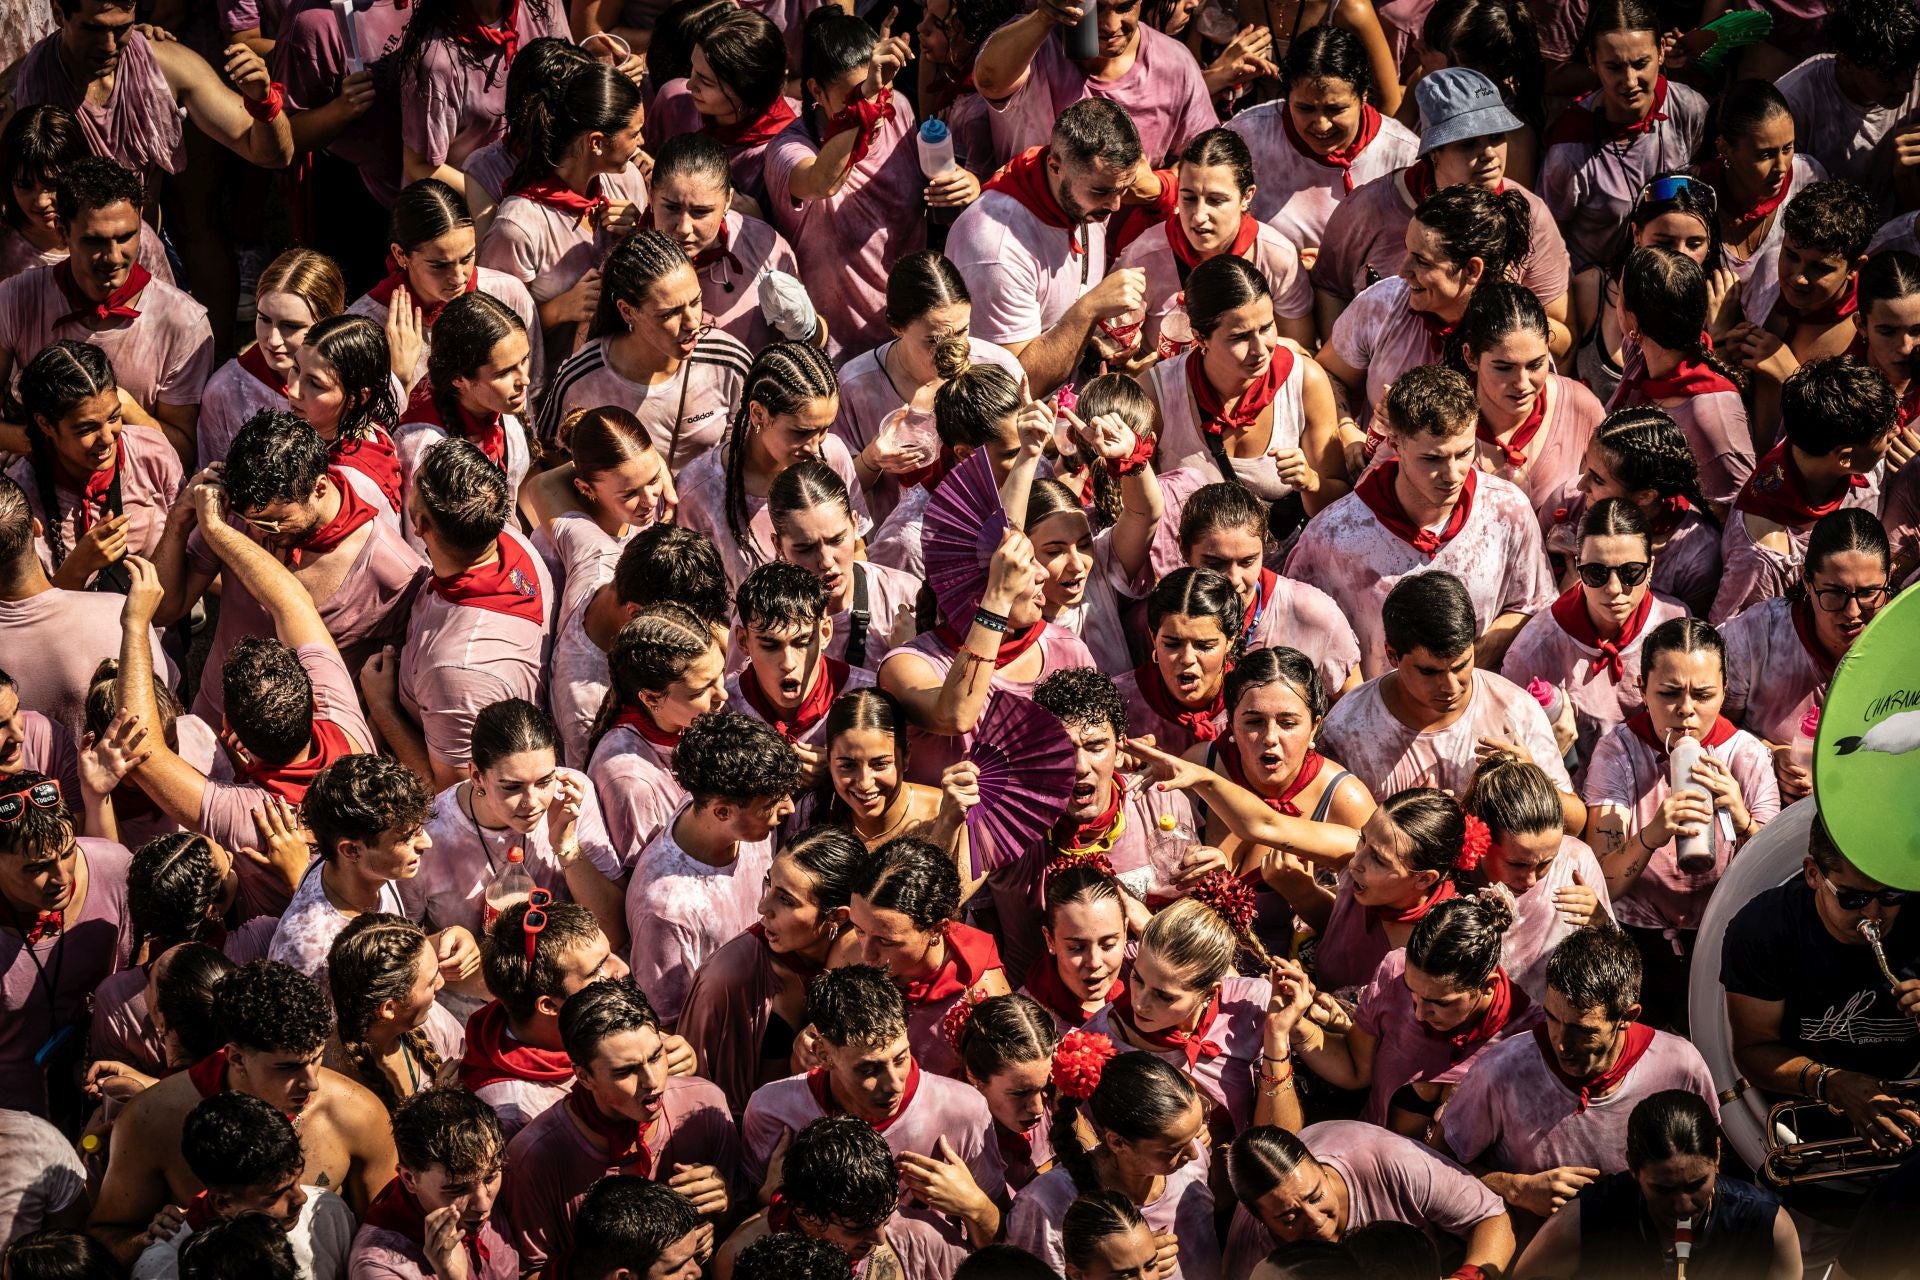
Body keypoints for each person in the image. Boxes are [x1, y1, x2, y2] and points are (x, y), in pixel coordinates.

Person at [118, 520, 370, 922]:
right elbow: (291, 601)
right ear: (310, 696)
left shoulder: (256, 818)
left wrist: (134, 625)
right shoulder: (343, 717)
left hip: (276, 938)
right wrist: (219, 529)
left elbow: (142, 750)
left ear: (229, 730)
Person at [91, 961, 397, 1261]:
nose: (312, 1082)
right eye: (288, 1067)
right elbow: (105, 1237)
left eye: (316, 1058)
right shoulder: (153, 1119)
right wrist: (155, 1240)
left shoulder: (357, 1113)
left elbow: (389, 1239)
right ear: (236, 1058)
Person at [153, 412, 423, 724]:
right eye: (251, 522)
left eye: (274, 521)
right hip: (213, 722)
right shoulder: (231, 513)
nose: (258, 534)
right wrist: (178, 521)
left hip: (300, 757)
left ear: (319, 488)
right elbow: (164, 609)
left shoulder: (394, 570)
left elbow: (403, 691)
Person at [1288, 367, 1556, 677]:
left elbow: (1534, 606)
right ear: (1396, 444)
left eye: (1464, 453)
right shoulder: (1332, 537)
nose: (1452, 474)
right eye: (1433, 459)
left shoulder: (1508, 510)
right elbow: (1301, 641)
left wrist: (1465, 666)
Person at [1435, 928, 1718, 1221]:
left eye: (1583, 1030)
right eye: (1552, 1018)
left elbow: (1707, 1169)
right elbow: (1438, 1165)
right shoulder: (1500, 1071)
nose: (1560, 1042)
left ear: (1628, 1017)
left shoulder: (1681, 1066)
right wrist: (1516, 1188)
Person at [1581, 618, 1779, 1031]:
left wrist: (1741, 819)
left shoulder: (1745, 755)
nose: (1686, 710)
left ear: (1725, 690)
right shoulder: (1619, 751)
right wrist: (1652, 834)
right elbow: (1604, 883)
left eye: (1703, 694)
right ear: (1642, 689)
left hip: (1722, 937)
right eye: (1669, 694)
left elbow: (1776, 886)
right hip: (1637, 940)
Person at [739, 964, 1005, 1246]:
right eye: (869, 1070)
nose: (893, 1084)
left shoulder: (963, 1110)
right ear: (823, 1054)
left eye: (901, 1058)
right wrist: (769, 1201)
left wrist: (977, 1208)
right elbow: (746, 1238)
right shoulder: (772, 1110)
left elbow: (1001, 1250)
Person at [1316, 68, 1570, 357]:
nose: (1489, 154)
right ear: (1433, 152)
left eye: (1496, 136)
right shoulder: (1369, 208)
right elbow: (1330, 287)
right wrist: (1353, 356)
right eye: (1468, 143)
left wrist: (1501, 314)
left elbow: (1560, 330)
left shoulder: (1530, 214)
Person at [503, 978, 737, 1273]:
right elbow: (529, 1272)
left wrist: (722, 1206)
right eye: (626, 1070)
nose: (652, 1081)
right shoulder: (534, 1158)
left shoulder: (704, 1106)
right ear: (584, 1076)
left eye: (656, 1056)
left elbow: (743, 1222)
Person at [1722, 814, 1920, 1154]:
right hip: (1812, 1118)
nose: (1873, 914)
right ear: (1813, 874)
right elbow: (1752, 1050)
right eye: (1852, 898)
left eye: (1890, 894)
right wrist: (1832, 1083)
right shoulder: (1764, 929)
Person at [1315, 571, 1579, 827]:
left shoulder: (1516, 709)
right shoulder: (1347, 730)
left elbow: (1575, 823)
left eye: (1461, 665)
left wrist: (1532, 782)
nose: (1451, 686)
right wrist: (1398, 829)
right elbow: (1327, 848)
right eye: (1430, 672)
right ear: (1392, 655)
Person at [405, 698, 624, 997]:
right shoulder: (429, 837)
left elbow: (613, 930)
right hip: (476, 1011)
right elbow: (405, 951)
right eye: (512, 787)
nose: (532, 803)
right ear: (477, 776)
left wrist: (566, 847)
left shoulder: (571, 797)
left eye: (545, 781)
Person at [0, 160, 213, 464]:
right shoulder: (16, 297)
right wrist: (35, 443)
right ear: (62, 233)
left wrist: (127, 408)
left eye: (126, 236)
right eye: (95, 241)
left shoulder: (183, 323)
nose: (113, 257)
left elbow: (183, 451)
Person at [365, 440, 551, 788]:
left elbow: (452, 792)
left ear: (419, 525)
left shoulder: (457, 671)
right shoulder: (514, 541)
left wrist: (383, 708)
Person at [943, 99, 1152, 397]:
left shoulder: (1080, 198)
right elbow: (1013, 386)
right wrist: (1090, 308)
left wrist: (1095, 338)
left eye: (1124, 189)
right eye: (1102, 191)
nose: (1116, 205)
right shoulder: (996, 249)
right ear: (1055, 166)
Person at [1293, 887, 1538, 1132]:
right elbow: (1356, 1068)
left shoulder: (1527, 1041)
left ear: (1487, 986)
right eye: (1411, 991)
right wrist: (1295, 1025)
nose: (1419, 1013)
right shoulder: (1393, 972)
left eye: (1440, 1002)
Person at [764, 9, 925, 359]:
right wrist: (863, 99)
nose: (876, 109)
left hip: (912, 344)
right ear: (816, 91)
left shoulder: (899, 108)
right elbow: (824, 182)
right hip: (837, 357)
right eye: (853, 98)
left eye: (882, 92)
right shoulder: (787, 151)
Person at [677, 826, 866, 1115]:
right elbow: (690, 1094)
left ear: (837, 917)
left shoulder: (868, 955)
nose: (763, 906)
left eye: (786, 900)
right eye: (769, 884)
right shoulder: (726, 978)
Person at [1513, 1090, 1799, 1279]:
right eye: (1663, 1189)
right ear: (1632, 1168)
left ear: (1718, 1155)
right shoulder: (1581, 1223)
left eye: (1697, 1183)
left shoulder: (1766, 1224)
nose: (1683, 1206)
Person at [626, 711, 797, 1027]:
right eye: (772, 804)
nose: (789, 808)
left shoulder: (738, 823)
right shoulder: (666, 909)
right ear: (722, 812)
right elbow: (669, 1024)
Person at [1083, 895, 1309, 1134]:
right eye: (1137, 979)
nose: (1140, 1003)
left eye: (1164, 996)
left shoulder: (1251, 1006)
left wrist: (1275, 1037)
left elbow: (1280, 1139)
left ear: (1210, 992)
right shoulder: (1098, 1042)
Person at [533, 229, 753, 474]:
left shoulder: (730, 360)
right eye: (669, 313)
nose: (692, 322)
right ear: (627, 311)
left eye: (695, 302)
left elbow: (746, 454)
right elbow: (550, 459)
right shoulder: (580, 378)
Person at [1319, 185, 1534, 435]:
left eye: (1422, 261)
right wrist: (1346, 430)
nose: (1403, 271)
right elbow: (1327, 375)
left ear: (1472, 270)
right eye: (1408, 251)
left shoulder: (1519, 332)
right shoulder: (1384, 302)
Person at [522, 409, 671, 767]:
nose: (651, 500)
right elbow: (540, 485)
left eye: (655, 479)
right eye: (630, 493)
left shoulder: (634, 517)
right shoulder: (563, 542)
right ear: (585, 488)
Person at [1143, 256, 1345, 517]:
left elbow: (1340, 503)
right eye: (1240, 337)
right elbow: (1137, 510)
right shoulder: (1157, 393)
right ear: (1199, 338)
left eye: (1267, 327)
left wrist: (1311, 482)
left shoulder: (1306, 381)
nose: (1260, 350)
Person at [8, 0, 293, 182]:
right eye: (93, 29)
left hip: (141, 263)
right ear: (59, 12)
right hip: (53, 267)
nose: (109, 46)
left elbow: (272, 155)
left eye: (121, 28)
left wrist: (263, 101)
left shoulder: (163, 66)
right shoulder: (26, 85)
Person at [480, 62, 649, 366]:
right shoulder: (519, 226)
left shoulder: (628, 179)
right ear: (596, 142)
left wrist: (639, 233)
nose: (642, 143)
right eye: (634, 134)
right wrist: (558, 309)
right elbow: (491, 336)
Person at [1502, 497, 1689, 768]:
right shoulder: (1533, 650)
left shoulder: (1676, 624)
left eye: (1631, 572)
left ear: (1651, 568)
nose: (1613, 588)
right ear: (1578, 567)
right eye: (1596, 573)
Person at [1724, 510, 1891, 804]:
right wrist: (1766, 754)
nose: (1852, 612)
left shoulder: (1905, 647)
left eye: (1868, 593)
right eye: (1834, 593)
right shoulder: (1756, 636)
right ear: (1807, 581)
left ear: (1888, 581)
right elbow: (1707, 724)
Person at [1007, 1048, 1219, 1278]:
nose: (1195, 1153)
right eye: (1172, 1150)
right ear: (1117, 1142)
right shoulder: (1046, 1204)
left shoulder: (1189, 1162)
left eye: (1194, 1135)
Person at [1712, 357, 1892, 623]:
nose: (1894, 436)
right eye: (1884, 437)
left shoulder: (1817, 438)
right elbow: (1730, 632)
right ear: (1845, 458)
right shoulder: (1764, 553)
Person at [677, 341, 863, 593]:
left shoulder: (833, 455)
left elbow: (858, 551)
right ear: (758, 414)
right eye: (801, 432)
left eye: (824, 429)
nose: (814, 446)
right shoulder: (699, 491)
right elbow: (699, 605)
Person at [1538, 0, 1707, 274]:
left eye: (1641, 64)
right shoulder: (1570, 149)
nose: (1630, 81)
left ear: (1661, 52)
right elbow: (1548, 242)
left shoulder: (1688, 108)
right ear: (1592, 60)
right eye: (1614, 67)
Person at [0, 768, 130, 1119]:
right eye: (36, 868)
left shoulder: (114, 868)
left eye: (68, 853)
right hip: (17, 1122)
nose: (61, 877)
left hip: (106, 1093)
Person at [1224, 1123, 1514, 1280]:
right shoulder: (1251, 1261)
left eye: (1316, 1196)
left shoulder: (1392, 1163)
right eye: (1289, 1218)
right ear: (1259, 1218)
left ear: (1323, 1168)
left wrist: (1467, 1278)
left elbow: (1492, 1217)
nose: (1315, 1220)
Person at [1117, 129, 1314, 357]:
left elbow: (1300, 354)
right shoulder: (1143, 257)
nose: (1199, 216)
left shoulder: (1277, 257)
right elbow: (1113, 346)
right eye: (1188, 198)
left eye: (1215, 200)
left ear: (1247, 196)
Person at [1223, 28, 1420, 255]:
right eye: (1305, 108)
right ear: (1286, 98)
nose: (1321, 125)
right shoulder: (1247, 137)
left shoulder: (1406, 157)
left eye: (1335, 109)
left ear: (1363, 96)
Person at [8, 340, 181, 593]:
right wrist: (78, 566)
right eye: (86, 428)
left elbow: (189, 559)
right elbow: (24, 615)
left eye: (114, 418)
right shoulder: (19, 497)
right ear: (45, 425)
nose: (108, 438)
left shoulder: (153, 454)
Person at [454, 899, 636, 1135]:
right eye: (597, 970)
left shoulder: (592, 1020)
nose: (622, 969)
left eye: (609, 954)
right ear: (549, 1005)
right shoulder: (514, 1114)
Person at [129, 1093, 356, 1280]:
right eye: (275, 1194)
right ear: (223, 1202)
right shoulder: (161, 1270)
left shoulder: (325, 1212)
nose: (301, 1199)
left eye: (296, 1178)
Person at [345, 181, 540, 396]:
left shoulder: (506, 294)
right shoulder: (363, 327)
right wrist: (399, 378)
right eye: (439, 265)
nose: (458, 277)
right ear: (400, 255)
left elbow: (534, 390)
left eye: (467, 258)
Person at [969, 0, 1215, 169]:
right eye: (1095, 8)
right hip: (1036, 236)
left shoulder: (1174, 63)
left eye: (1124, 7)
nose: (1110, 26)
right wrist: (1044, 17)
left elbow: (1207, 158)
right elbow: (991, 82)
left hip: (1133, 242)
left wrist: (1159, 187)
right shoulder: (1033, 46)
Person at [716, 1117, 968, 1280]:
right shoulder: (743, 1261)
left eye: (886, 1218)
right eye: (858, 1227)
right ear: (805, 1213)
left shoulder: (922, 1239)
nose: (880, 1239)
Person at [267, 755, 437, 989]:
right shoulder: (309, 951)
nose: (426, 843)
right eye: (407, 837)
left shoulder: (369, 868)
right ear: (351, 851)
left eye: (420, 829)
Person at [848, 836, 1012, 1077]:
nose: (865, 953)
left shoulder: (981, 998)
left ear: (937, 929)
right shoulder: (861, 943)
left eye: (886, 941)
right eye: (858, 931)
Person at [1571, 175, 1736, 410]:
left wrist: (1719, 339)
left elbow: (1720, 402)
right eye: (1665, 242)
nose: (1680, 256)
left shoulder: (1721, 303)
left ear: (1709, 246)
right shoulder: (1592, 290)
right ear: (1637, 234)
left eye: (1694, 244)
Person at [1176, 484, 1361, 694]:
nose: (1234, 580)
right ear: (1184, 549)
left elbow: (1352, 714)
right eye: (1215, 564)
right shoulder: (1165, 618)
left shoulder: (1314, 616)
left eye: (1248, 562)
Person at [1450, 282, 1604, 528]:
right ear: (1470, 356)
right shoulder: (1440, 417)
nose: (1522, 384)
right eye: (1504, 368)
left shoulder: (1580, 407)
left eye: (1535, 365)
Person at [1549, 406, 1724, 618]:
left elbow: (1685, 637)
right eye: (1586, 468)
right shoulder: (1568, 502)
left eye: (1597, 480)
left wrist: (1578, 595)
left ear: (1645, 497)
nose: (1580, 486)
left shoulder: (1697, 555)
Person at [1462, 755, 1611, 1003]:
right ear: (1480, 839)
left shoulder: (1575, 861)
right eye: (1517, 864)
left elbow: (1615, 966)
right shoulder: (1453, 878)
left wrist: (1601, 923)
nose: (1531, 880)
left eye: (1545, 863)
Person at [586, 602, 730, 859]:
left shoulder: (688, 719)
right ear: (651, 698)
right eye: (700, 691)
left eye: (720, 674)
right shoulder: (631, 782)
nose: (723, 694)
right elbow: (644, 879)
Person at [1729, 179, 1880, 414]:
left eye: (1820, 268)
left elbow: (1861, 433)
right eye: (1790, 255)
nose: (1799, 277)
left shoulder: (1870, 331)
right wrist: (1728, 348)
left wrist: (1793, 378)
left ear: (1854, 268)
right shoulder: (1769, 268)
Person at [647, 132, 803, 355]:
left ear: (728, 200)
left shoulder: (764, 248)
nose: (683, 228)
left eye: (701, 212)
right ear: (651, 196)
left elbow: (802, 352)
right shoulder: (626, 264)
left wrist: (808, 329)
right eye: (671, 208)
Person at [396, 0, 567, 192]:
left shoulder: (541, 5)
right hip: (466, 205)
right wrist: (492, 201)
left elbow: (571, 85)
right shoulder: (436, 61)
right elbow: (418, 166)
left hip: (533, 191)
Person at [349, 1087, 517, 1280]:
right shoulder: (378, 1267)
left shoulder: (497, 1176)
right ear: (409, 1179)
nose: (483, 1205)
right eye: (457, 1189)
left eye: (490, 1178)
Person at [393, 294, 535, 520]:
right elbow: (422, 544)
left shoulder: (504, 400)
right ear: (459, 379)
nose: (524, 380)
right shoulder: (424, 448)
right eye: (504, 372)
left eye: (524, 360)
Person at [198, 251, 346, 468]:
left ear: (330, 323)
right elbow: (212, 477)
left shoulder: (361, 378)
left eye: (291, 326)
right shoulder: (227, 391)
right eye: (264, 320)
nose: (273, 340)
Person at [768, 462, 921, 671]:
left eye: (836, 540)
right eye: (805, 549)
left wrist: (907, 661)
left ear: (856, 524)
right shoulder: (762, 616)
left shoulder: (904, 596)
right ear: (778, 546)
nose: (826, 561)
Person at [642, 7, 800, 208]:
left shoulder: (783, 151)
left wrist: (755, 222)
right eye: (693, 69)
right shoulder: (674, 101)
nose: (690, 85)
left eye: (706, 82)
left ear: (746, 91)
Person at [0, 105, 173, 287]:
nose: (42, 202)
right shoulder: (5, 249)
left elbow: (168, 308)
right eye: (25, 186)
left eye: (53, 185)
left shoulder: (132, 238)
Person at [726, 563, 876, 764]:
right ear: (744, 642)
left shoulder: (869, 698)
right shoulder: (723, 711)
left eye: (802, 642)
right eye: (770, 646)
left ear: (825, 634)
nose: (788, 663)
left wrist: (840, 777)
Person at [1774, 0, 1920, 204]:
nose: (1906, 86)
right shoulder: (1793, 103)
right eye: (1888, 76)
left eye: (1911, 69)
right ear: (1845, 64)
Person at [324, 914, 466, 1112]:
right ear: (389, 1008)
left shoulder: (433, 1021)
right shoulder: (339, 1089)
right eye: (431, 982)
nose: (441, 983)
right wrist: (440, 1105)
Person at [1700, 81, 1828, 288]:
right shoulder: (1691, 194)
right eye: (1765, 155)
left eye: (1788, 148)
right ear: (1724, 149)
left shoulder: (1808, 180)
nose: (1781, 167)